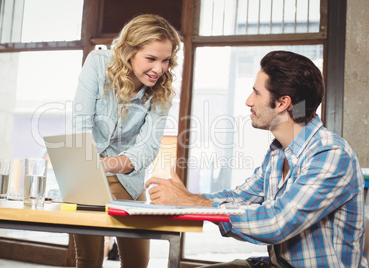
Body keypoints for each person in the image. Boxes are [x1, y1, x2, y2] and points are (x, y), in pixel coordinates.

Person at [146, 51, 367, 267]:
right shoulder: (278, 153)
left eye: (256, 93)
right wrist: (186, 197)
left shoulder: (330, 154)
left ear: (282, 103)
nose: (248, 101)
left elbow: (277, 222)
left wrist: (191, 203)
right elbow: (240, 198)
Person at [72, 14, 181, 268]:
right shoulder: (98, 63)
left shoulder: (162, 90)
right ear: (127, 51)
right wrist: (88, 167)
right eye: (151, 59)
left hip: (127, 178)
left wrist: (108, 164)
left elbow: (149, 146)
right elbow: (80, 123)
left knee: (137, 262)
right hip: (86, 176)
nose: (159, 69)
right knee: (88, 259)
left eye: (166, 60)